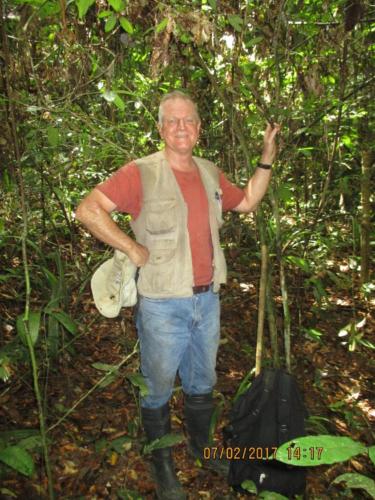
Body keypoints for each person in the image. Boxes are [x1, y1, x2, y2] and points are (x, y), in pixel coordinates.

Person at [76, 90, 280, 499]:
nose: (181, 127)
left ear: (200, 129)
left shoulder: (209, 172)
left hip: (207, 301)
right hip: (162, 305)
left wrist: (267, 155)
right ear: (160, 128)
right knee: (157, 387)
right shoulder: (141, 172)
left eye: (188, 120)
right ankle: (162, 461)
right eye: (173, 120)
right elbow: (88, 209)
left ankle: (200, 448)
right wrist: (130, 247)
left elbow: (250, 201)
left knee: (202, 382)